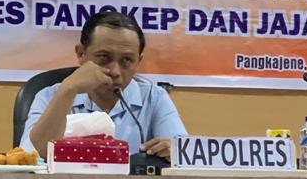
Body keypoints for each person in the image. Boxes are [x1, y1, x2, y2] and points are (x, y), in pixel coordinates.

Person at [22, 11, 186, 160]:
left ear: (138, 61)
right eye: (104, 57)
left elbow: (186, 157)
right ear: (81, 53)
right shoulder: (49, 96)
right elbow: (31, 157)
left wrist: (175, 154)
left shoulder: (154, 98)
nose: (115, 71)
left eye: (127, 60)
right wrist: (68, 89)